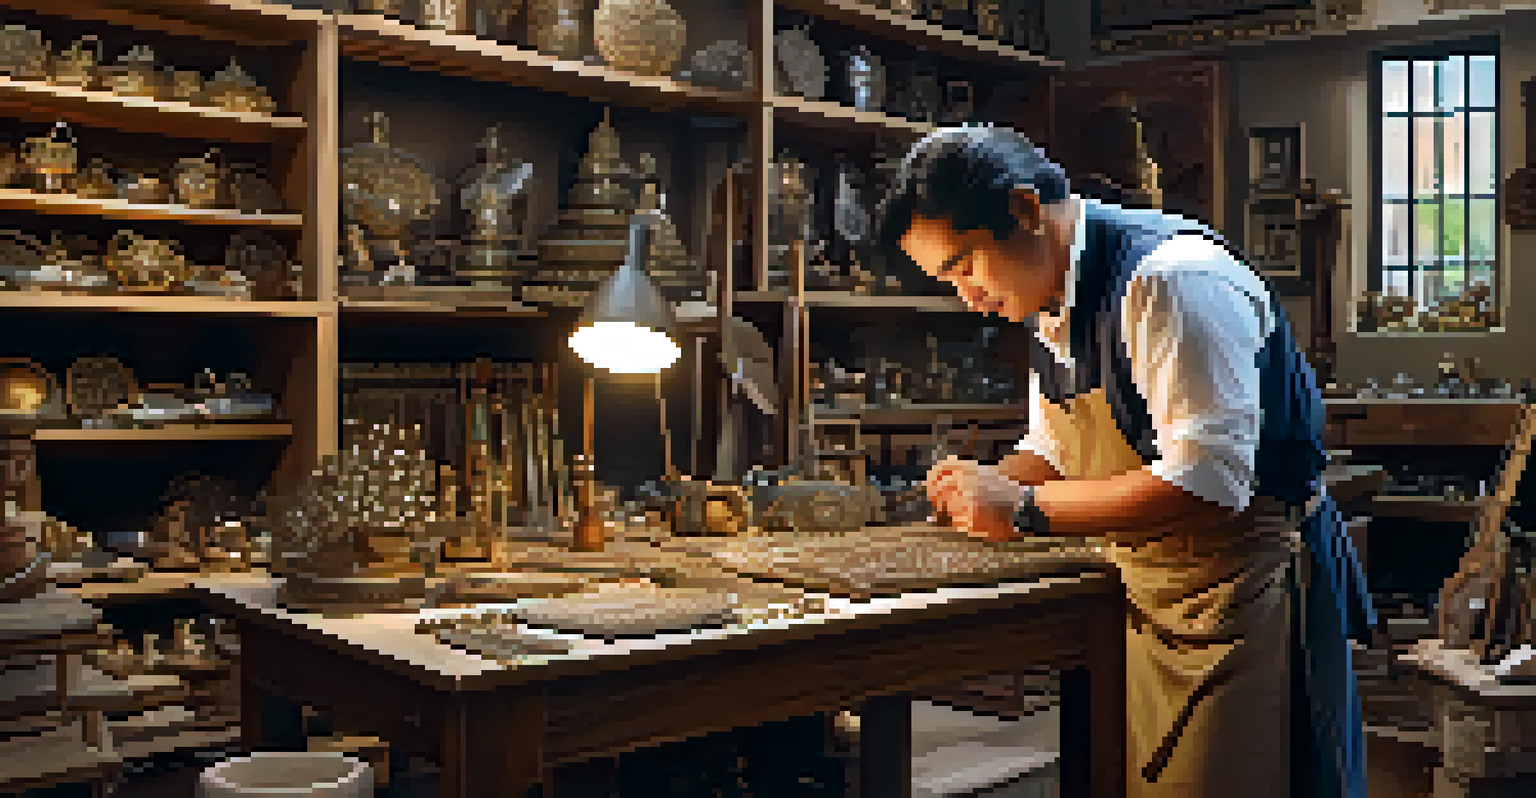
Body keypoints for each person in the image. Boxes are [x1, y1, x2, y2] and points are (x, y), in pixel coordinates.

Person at [872, 125, 1375, 798]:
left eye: (964, 266)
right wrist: (986, 484)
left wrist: (1021, 508)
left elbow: (1208, 481)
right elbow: (1057, 447)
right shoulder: (1048, 300)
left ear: (1025, 209)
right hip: (1152, 594)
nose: (968, 297)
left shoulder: (1170, 280)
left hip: (1247, 593)